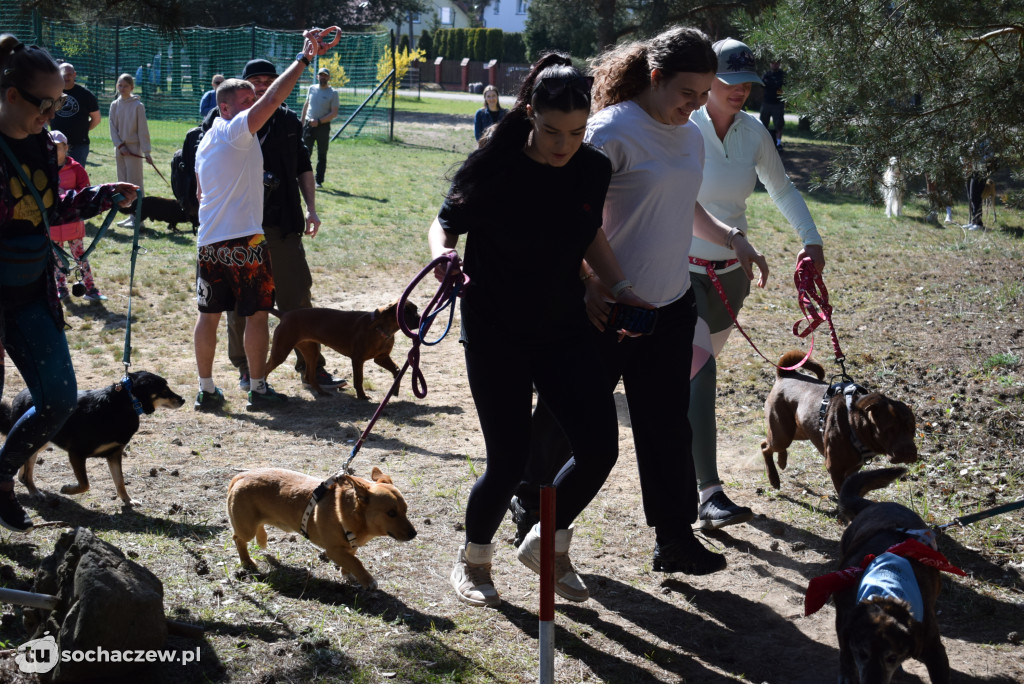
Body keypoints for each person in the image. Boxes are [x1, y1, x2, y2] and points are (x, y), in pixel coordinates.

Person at [511, 26, 769, 575]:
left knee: (666, 423)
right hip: (604, 309)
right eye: (687, 95)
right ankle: (530, 503)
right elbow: (565, 219)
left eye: (704, 96)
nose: (696, 106)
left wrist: (732, 236)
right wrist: (587, 282)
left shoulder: (691, 135)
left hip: (670, 306)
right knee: (566, 419)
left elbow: (684, 203)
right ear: (655, 78)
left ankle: (673, 538)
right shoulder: (610, 134)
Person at [431, 53, 650, 608]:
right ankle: (475, 559)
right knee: (507, 458)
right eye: (551, 131)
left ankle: (546, 541)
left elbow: (588, 233)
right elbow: (445, 222)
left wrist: (619, 286)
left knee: (599, 450)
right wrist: (443, 257)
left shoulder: (593, 168)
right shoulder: (496, 167)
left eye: (576, 132)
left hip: (563, 329)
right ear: (530, 114)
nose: (563, 145)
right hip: (495, 331)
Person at [0, 34, 137, 531]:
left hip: (33, 290)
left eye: (59, 103)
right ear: (12, 95)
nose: (54, 114)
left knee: (58, 399)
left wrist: (102, 196)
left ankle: (1, 475)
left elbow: (48, 208)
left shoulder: (40, 142)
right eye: (46, 103)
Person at [687, 38, 825, 529]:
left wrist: (811, 241)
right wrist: (735, 237)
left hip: (731, 279)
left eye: (749, 83)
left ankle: (681, 466)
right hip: (678, 272)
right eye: (732, 80)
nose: (741, 90)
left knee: (687, 380)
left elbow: (782, 189)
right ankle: (708, 492)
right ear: (708, 79)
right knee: (699, 373)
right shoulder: (685, 125)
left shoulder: (753, 134)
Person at [192, 33, 325, 413]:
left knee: (209, 315)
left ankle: (207, 389)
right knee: (257, 315)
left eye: (254, 100)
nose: (255, 107)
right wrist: (303, 59)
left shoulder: (205, 141)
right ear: (225, 107)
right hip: (245, 242)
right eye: (247, 101)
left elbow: (201, 191)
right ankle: (258, 386)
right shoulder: (235, 131)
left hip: (209, 241)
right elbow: (274, 99)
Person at [224, 59, 345, 396]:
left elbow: (304, 167)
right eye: (256, 81)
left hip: (284, 226)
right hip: (240, 227)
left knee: (298, 301)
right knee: (245, 302)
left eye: (269, 80)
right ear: (244, 85)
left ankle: (312, 368)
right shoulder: (229, 119)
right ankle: (248, 369)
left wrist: (312, 209)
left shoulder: (290, 120)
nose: (263, 86)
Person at [48, 130, 106, 302]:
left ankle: (90, 288)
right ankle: (61, 287)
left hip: (72, 224)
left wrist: (67, 194)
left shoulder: (76, 169)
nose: (52, 151)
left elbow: (85, 193)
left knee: (80, 256)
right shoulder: (43, 169)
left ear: (66, 148)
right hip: (52, 225)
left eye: (57, 147)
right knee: (57, 259)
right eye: (49, 147)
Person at [108, 73, 151, 229]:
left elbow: (143, 130)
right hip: (120, 149)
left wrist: (146, 152)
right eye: (119, 85)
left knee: (135, 183)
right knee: (123, 182)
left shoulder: (137, 106)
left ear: (132, 87)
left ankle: (139, 218)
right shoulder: (114, 105)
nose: (122, 88)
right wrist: (120, 145)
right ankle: (131, 214)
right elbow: (112, 127)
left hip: (133, 149)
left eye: (125, 85)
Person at [50, 62, 100, 166]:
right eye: (63, 74)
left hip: (79, 145)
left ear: (74, 74)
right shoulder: (53, 92)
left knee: (77, 178)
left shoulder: (85, 95)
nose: (66, 77)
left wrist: (83, 129)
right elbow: (46, 114)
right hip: (57, 144)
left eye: (69, 74)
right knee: (56, 176)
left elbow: (96, 119)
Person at [299, 67, 339, 188]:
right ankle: (302, 178)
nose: (323, 77)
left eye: (325, 75)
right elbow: (306, 106)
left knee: (322, 154)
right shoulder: (311, 89)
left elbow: (334, 113)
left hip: (322, 127)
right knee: (305, 153)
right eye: (321, 75)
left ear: (328, 77)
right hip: (308, 125)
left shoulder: (333, 93)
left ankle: (318, 181)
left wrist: (319, 121)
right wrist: (301, 123)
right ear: (317, 77)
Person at [759, 60, 785, 150]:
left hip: (778, 104)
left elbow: (783, 86)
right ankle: (763, 144)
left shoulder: (783, 75)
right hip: (766, 103)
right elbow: (762, 84)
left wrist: (772, 85)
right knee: (763, 124)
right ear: (770, 64)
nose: (774, 64)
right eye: (772, 63)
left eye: (777, 63)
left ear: (779, 64)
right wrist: (774, 85)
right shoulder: (766, 74)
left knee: (779, 125)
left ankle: (778, 144)